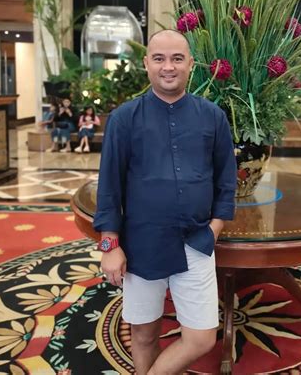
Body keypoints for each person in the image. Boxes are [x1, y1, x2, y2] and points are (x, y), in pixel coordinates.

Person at [93, 29, 237, 374]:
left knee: (201, 338)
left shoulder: (213, 116)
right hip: (141, 245)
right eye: (159, 59)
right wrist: (110, 246)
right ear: (146, 64)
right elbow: (109, 187)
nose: (168, 67)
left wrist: (215, 229)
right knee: (144, 335)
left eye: (177, 59)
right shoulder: (124, 119)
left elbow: (226, 181)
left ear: (191, 64)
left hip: (196, 241)